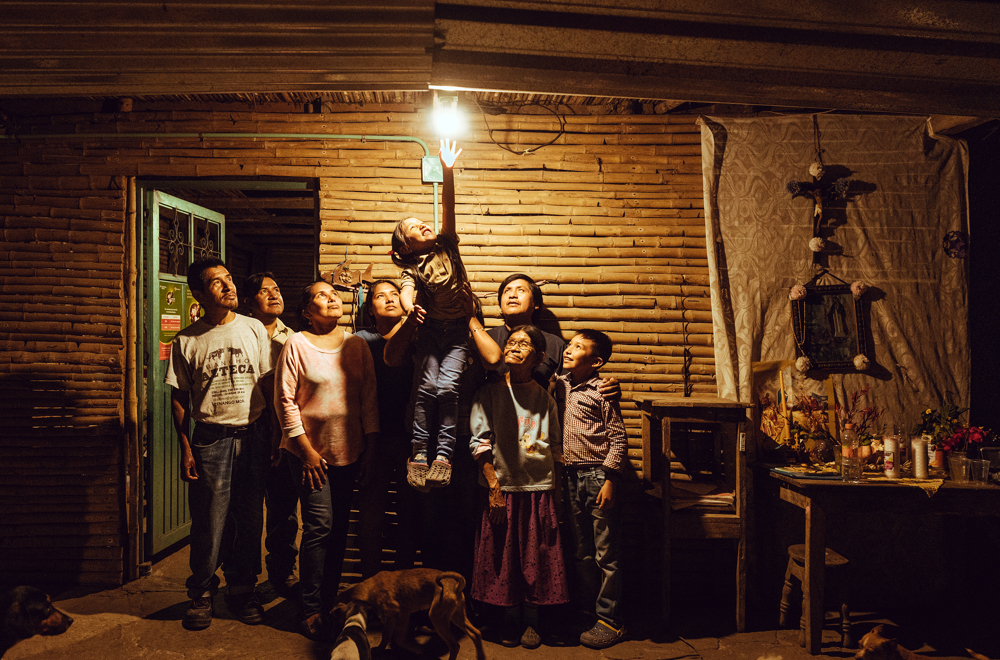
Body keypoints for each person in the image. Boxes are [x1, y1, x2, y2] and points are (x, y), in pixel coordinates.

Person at [164, 256, 272, 631]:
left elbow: (268, 384)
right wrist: (185, 445)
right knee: (209, 521)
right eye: (217, 282)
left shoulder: (254, 328)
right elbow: (178, 397)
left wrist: (272, 437)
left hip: (253, 434)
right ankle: (202, 592)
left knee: (248, 517)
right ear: (198, 293)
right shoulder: (187, 340)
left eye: (229, 278)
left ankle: (243, 588)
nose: (229, 286)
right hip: (210, 438)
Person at [274, 280, 379, 639]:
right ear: (306, 311)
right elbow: (284, 401)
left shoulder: (356, 344)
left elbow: (368, 397)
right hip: (308, 453)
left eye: (333, 293)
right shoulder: (297, 344)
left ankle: (329, 599)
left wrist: (371, 447)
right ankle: (310, 608)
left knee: (337, 531)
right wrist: (305, 451)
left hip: (349, 450)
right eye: (321, 295)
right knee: (319, 526)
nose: (331, 297)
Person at [470, 325, 568, 649]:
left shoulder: (544, 396)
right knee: (504, 558)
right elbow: (480, 444)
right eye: (511, 341)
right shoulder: (489, 393)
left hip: (539, 489)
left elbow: (555, 445)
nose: (514, 347)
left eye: (523, 344)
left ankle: (532, 622)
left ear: (538, 356)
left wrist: (558, 490)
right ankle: (509, 620)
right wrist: (494, 489)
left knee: (537, 557)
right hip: (504, 489)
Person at [391, 138, 469, 490]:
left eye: (421, 221)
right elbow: (406, 292)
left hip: (456, 332)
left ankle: (444, 455)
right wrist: (410, 309)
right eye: (412, 227)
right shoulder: (412, 269)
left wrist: (447, 169)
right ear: (406, 246)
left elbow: (449, 207)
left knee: (448, 388)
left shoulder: (446, 244)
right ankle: (420, 452)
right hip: (431, 331)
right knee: (425, 389)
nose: (422, 224)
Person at [556, 329, 629, 649]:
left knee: (605, 553)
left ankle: (611, 619)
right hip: (570, 478)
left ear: (597, 361)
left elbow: (619, 439)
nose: (569, 350)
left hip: (598, 478)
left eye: (578, 347)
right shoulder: (559, 385)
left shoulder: (602, 392)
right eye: (569, 345)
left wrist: (611, 479)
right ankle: (588, 611)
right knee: (582, 551)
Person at [353, 279, 421, 577]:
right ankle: (370, 585)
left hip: (410, 438)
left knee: (409, 515)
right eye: (381, 296)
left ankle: (401, 589)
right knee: (371, 514)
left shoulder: (418, 338)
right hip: (373, 439)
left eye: (395, 294)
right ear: (371, 308)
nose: (390, 299)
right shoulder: (360, 340)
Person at [243, 272, 298, 596]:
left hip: (280, 429)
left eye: (276, 288)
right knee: (246, 510)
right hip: (248, 426)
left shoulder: (292, 338)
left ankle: (282, 569)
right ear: (250, 301)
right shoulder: (240, 333)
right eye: (265, 291)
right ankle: (243, 577)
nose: (274, 294)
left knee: (283, 508)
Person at [486, 274, 566, 390]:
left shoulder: (555, 345)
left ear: (536, 303)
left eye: (520, 290)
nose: (512, 295)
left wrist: (600, 386)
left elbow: (572, 386)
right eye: (506, 291)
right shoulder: (486, 339)